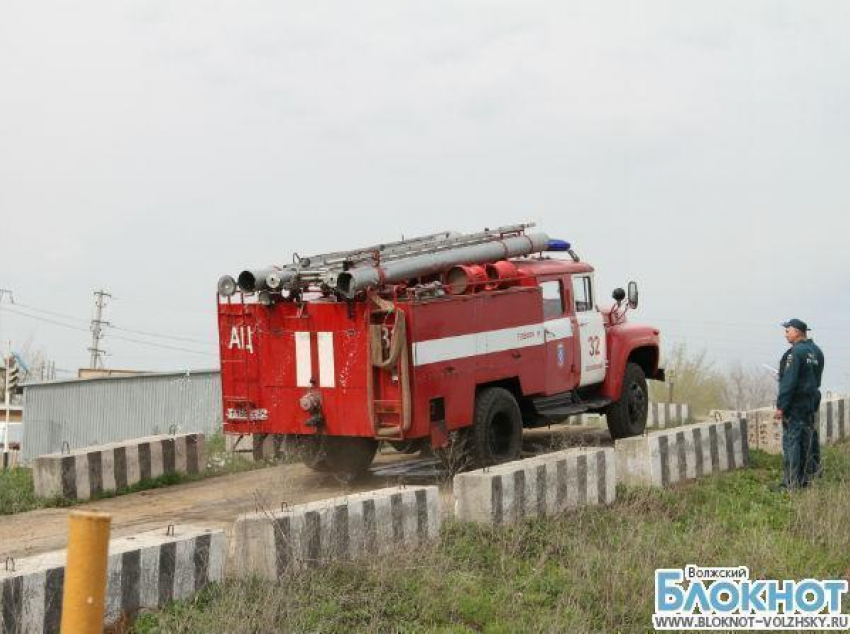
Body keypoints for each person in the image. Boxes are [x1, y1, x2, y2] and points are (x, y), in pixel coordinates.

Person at [774, 319, 822, 490]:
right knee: (807, 441)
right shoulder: (816, 352)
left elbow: (789, 381)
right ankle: (809, 479)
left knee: (792, 442)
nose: (785, 333)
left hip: (794, 406)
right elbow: (816, 380)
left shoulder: (795, 353)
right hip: (809, 403)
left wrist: (781, 406)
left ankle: (792, 484)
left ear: (798, 332)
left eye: (788, 330)